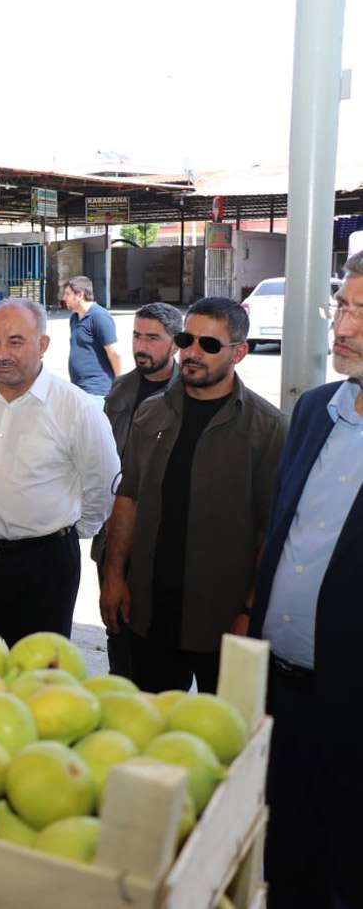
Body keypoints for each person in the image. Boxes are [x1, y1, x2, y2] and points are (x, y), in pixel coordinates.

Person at [251, 251, 363, 908]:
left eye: (360, 313)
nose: (342, 326)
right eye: (341, 307)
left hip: (352, 707)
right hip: (282, 691)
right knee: (283, 857)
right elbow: (281, 533)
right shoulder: (317, 409)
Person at [101, 297, 285, 693]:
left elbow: (272, 532)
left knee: (222, 739)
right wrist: (114, 575)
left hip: (222, 621)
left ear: (240, 353)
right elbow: (128, 498)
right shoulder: (151, 413)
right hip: (149, 613)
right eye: (187, 339)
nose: (193, 352)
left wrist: (251, 611)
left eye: (210, 345)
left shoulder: (268, 430)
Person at [0, 298, 119, 648]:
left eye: (15, 342)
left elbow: (103, 486)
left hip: (43, 567)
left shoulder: (76, 407)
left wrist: (60, 533)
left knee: (37, 679)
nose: (0, 353)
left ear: (43, 345)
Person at [93, 302, 183, 675]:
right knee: (119, 636)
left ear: (176, 344)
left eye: (152, 338)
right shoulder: (121, 388)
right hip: (114, 533)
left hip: (164, 540)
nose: (140, 346)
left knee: (164, 646)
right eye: (136, 336)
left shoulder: (189, 392)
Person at [61, 275, 124, 401]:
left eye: (68, 294)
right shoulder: (74, 318)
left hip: (97, 391)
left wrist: (119, 386)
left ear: (80, 295)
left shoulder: (99, 316)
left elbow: (114, 354)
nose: (64, 298)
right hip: (79, 389)